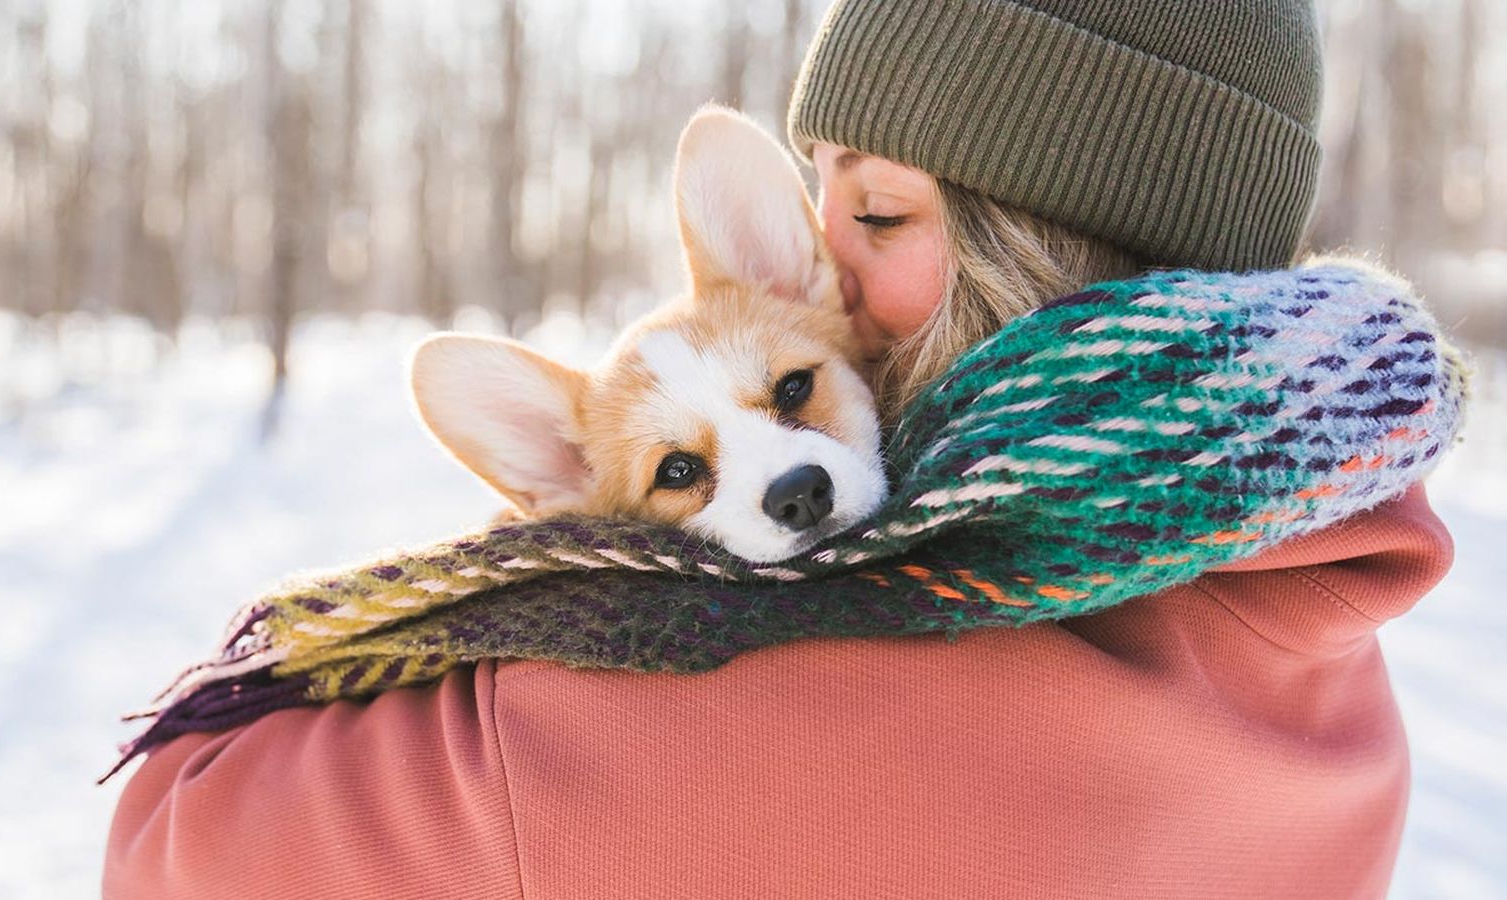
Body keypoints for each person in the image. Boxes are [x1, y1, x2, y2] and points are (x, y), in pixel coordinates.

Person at [104, 2, 1454, 897]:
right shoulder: (1329, 655)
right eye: (822, 207)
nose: (832, 279)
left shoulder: (767, 717)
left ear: (1038, 243)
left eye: (876, 212)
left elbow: (179, 829)